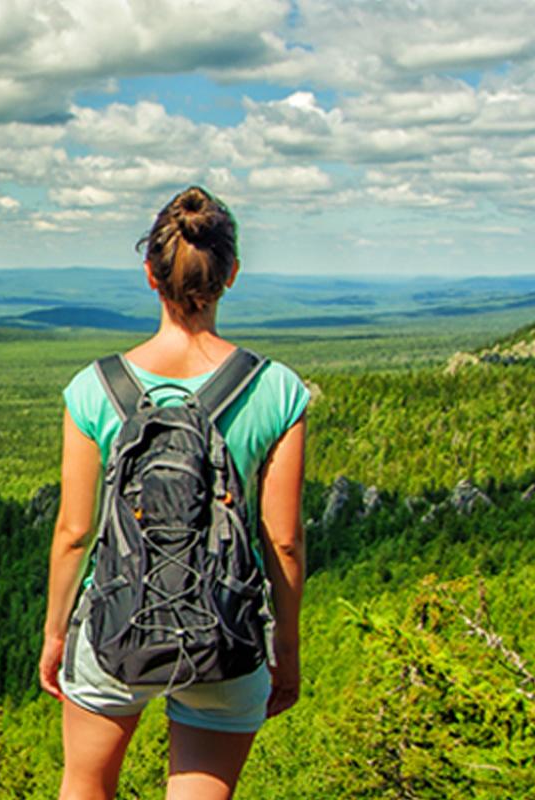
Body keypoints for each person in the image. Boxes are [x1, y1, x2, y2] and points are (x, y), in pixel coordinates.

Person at [38, 186, 309, 800]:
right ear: (231, 274)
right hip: (226, 633)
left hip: (114, 625)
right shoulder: (278, 390)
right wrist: (284, 652)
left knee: (85, 786)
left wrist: (57, 634)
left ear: (149, 276)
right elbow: (284, 543)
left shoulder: (94, 388)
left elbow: (75, 532)